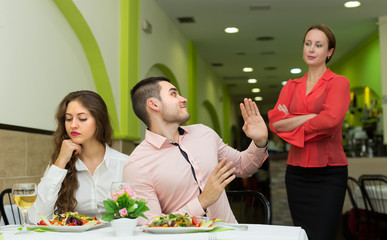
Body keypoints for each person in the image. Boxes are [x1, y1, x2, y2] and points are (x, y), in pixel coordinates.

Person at [123, 76, 268, 225]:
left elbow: (243, 167)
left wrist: (259, 141)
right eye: (174, 94)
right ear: (154, 104)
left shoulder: (204, 133)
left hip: (229, 233)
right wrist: (202, 202)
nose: (183, 99)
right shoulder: (137, 165)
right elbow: (151, 225)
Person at [268, 24, 350, 240]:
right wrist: (312, 117)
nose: (311, 49)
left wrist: (292, 121)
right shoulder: (291, 86)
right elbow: (275, 124)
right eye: (308, 43)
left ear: (329, 52)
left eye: (319, 45)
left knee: (323, 236)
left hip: (330, 173)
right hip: (296, 174)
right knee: (304, 235)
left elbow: (330, 122)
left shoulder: (338, 83)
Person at [28, 90, 128, 223]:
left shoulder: (125, 163)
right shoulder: (60, 163)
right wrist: (60, 162)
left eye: (82, 118)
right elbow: (35, 218)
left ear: (99, 121)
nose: (73, 125)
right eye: (68, 119)